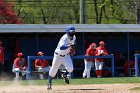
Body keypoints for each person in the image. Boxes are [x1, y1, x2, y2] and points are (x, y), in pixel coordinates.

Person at [47, 26, 76, 90]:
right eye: (71, 32)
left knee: (71, 69)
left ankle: (64, 75)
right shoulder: (64, 38)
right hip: (58, 56)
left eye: (73, 31)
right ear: (68, 32)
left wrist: (72, 49)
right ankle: (49, 83)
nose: (73, 33)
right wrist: (70, 46)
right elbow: (61, 47)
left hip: (66, 56)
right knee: (53, 70)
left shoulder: (74, 37)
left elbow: (72, 46)